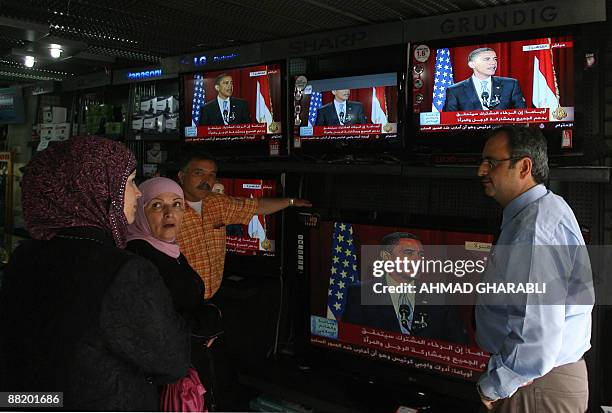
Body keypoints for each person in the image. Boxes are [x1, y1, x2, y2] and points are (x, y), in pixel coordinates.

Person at [0, 137, 190, 410]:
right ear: (97, 189)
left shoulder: (26, 255)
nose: (137, 193)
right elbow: (171, 362)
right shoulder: (124, 270)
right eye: (130, 182)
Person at [475, 126, 593, 412]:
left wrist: (494, 385)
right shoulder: (544, 210)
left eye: (492, 162)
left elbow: (536, 334)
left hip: (533, 386)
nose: (481, 171)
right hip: (538, 382)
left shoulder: (534, 229)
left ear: (524, 166)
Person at [126, 177, 224, 410]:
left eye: (177, 204)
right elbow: (158, 326)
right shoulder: (139, 256)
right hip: (163, 384)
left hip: (184, 373)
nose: (170, 213)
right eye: (157, 205)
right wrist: (210, 320)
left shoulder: (167, 249)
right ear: (140, 211)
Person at [176, 149, 311, 300]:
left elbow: (258, 206)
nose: (206, 181)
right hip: (179, 301)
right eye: (199, 173)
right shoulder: (166, 209)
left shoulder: (217, 203)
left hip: (209, 296)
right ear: (182, 176)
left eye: (211, 175)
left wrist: (291, 202)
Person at [343, 232, 469, 344]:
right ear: (386, 257)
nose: (418, 259)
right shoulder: (360, 293)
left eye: (420, 254)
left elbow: (459, 345)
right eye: (408, 253)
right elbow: (350, 340)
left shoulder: (441, 297)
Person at [443, 48, 526, 112]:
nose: (493, 63)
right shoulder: (455, 90)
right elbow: (449, 119)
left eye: (495, 59)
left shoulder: (511, 84)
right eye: (487, 59)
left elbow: (522, 114)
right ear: (472, 64)